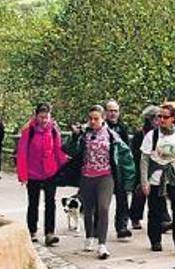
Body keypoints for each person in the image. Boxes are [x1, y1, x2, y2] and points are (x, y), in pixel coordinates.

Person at [57, 105, 137, 260]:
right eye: (90, 119)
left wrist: (129, 180)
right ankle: (89, 237)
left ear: (103, 119)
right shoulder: (83, 135)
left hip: (106, 176)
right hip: (87, 177)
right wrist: (74, 136)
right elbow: (67, 149)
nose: (93, 122)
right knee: (89, 209)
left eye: (96, 119)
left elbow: (126, 156)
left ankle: (102, 244)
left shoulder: (112, 136)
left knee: (103, 208)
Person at [141, 102, 175, 253]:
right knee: (155, 210)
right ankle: (155, 240)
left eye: (165, 117)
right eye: (159, 116)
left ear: (174, 119)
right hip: (157, 176)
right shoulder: (152, 135)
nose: (161, 120)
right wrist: (144, 181)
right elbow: (144, 159)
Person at [16, 102, 68, 246]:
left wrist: (63, 166)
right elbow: (22, 153)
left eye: (46, 117)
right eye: (41, 117)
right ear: (36, 116)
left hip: (50, 171)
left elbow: (58, 149)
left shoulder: (53, 130)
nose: (44, 120)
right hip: (33, 172)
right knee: (33, 203)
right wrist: (23, 174)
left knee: (50, 202)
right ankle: (32, 230)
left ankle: (49, 232)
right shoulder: (29, 131)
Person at [129, 105, 171, 230]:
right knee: (139, 193)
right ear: (150, 119)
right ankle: (135, 218)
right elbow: (136, 154)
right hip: (142, 166)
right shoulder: (140, 134)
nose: (160, 120)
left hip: (158, 167)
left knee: (160, 192)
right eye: (158, 117)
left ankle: (165, 219)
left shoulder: (163, 133)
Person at [104, 99, 133, 238]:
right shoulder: (101, 126)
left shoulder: (122, 127)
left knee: (122, 199)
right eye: (110, 110)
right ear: (105, 112)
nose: (113, 113)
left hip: (119, 169)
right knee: (102, 201)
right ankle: (97, 229)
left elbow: (126, 149)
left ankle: (122, 227)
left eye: (115, 111)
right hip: (104, 168)